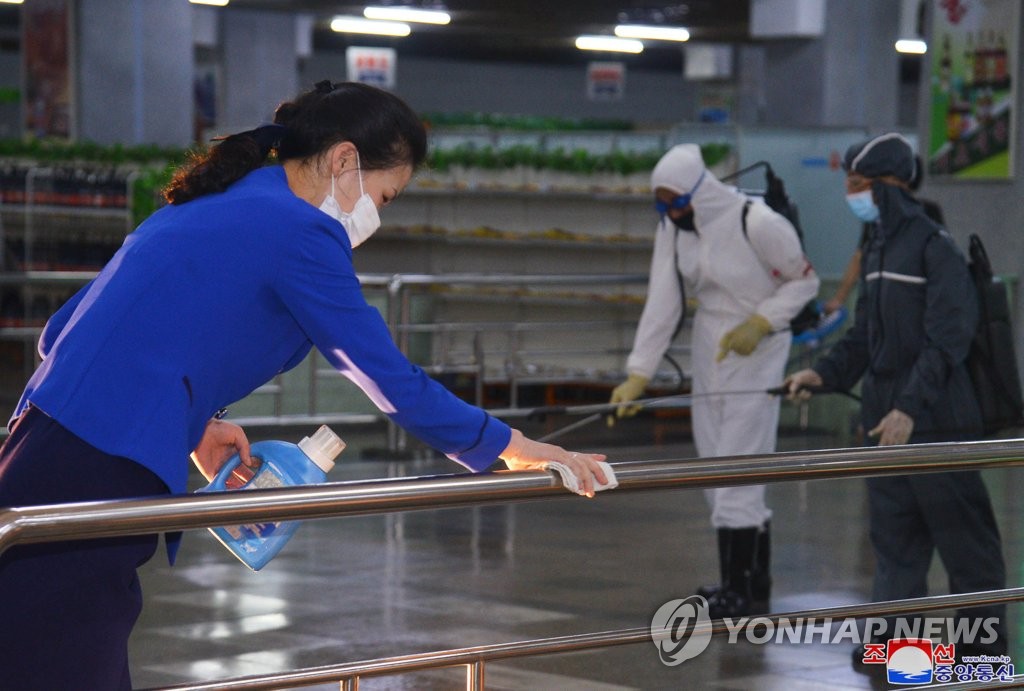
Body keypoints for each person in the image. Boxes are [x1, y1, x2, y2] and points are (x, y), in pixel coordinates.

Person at [0, 80, 609, 690]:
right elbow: (387, 377)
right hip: (97, 468)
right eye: (386, 196)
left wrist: (190, 420)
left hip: (39, 447)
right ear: (345, 160)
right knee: (65, 658)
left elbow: (65, 329)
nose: (378, 214)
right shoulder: (302, 233)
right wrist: (513, 446)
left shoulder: (222, 198)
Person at [786, 133, 1007, 663]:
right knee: (897, 548)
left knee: (967, 550)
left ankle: (984, 655)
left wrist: (909, 406)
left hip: (937, 425)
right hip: (884, 430)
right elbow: (868, 335)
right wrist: (823, 374)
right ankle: (894, 647)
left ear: (890, 186)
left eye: (859, 185)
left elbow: (948, 340)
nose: (851, 194)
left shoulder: (935, 247)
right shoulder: (881, 247)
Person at [609, 144, 819, 618]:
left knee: (739, 464)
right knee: (714, 461)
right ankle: (752, 579)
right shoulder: (675, 228)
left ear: (698, 191)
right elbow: (663, 297)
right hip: (710, 346)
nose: (669, 213)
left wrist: (762, 322)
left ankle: (737, 590)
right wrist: (639, 372)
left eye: (674, 202)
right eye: (660, 205)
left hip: (758, 350)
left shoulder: (759, 222)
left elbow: (804, 281)